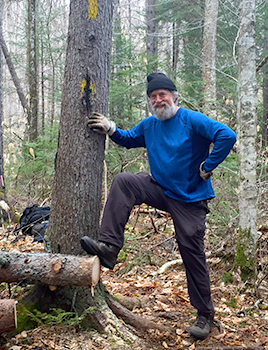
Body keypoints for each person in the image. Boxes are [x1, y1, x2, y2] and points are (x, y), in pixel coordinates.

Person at [80, 72, 236, 340]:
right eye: (153, 96)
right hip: (160, 188)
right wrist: (110, 128)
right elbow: (128, 138)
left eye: (162, 95)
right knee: (125, 181)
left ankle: (205, 315)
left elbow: (227, 136)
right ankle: (109, 247)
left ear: (174, 97)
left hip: (189, 198)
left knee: (191, 251)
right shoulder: (150, 125)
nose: (158, 99)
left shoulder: (190, 120)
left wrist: (207, 167)